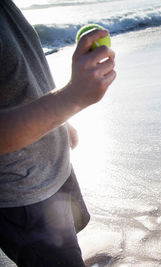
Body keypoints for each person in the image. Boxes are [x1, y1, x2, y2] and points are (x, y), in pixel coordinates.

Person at [0, 0, 116, 266]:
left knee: (66, 248)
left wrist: (61, 122)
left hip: (52, 163)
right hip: (22, 190)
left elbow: (17, 79)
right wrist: (71, 98)